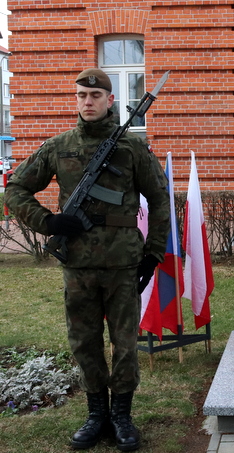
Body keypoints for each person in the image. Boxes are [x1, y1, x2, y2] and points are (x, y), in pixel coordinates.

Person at [5, 69, 170, 451]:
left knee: (125, 344)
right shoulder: (58, 146)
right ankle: (97, 414)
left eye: (95, 95)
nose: (87, 101)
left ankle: (122, 416)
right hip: (77, 264)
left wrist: (154, 252)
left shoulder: (130, 148)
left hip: (124, 264)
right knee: (84, 342)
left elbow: (160, 200)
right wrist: (47, 221)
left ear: (110, 100)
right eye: (81, 95)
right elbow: (15, 189)